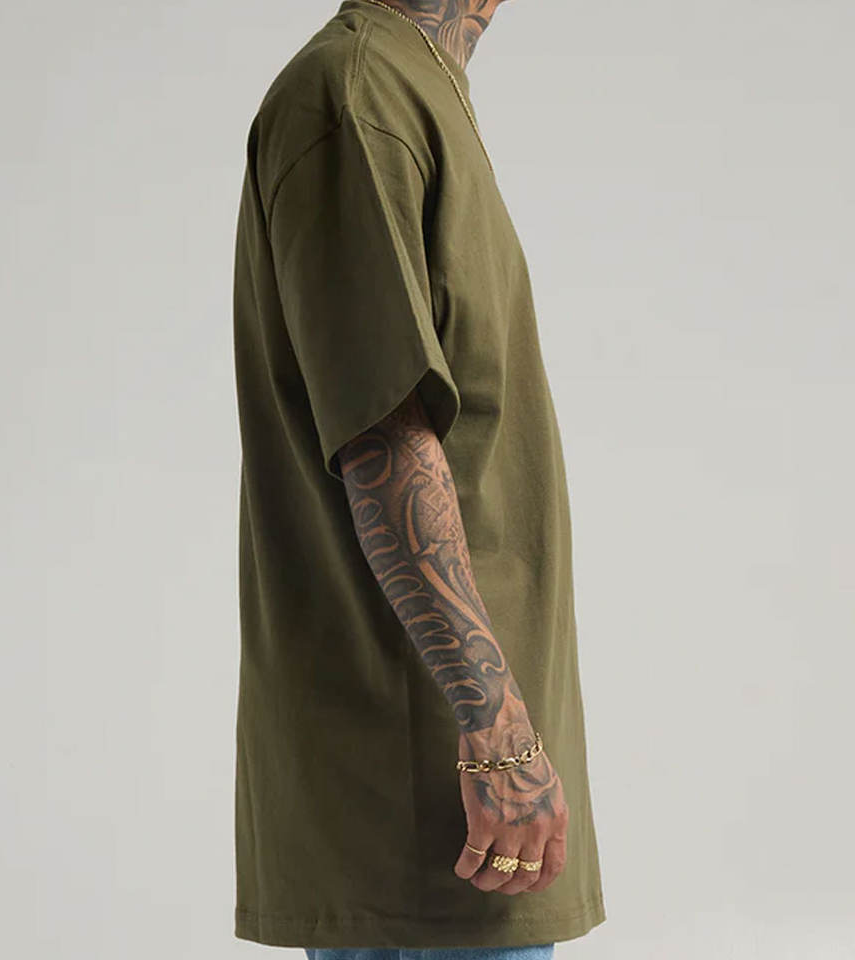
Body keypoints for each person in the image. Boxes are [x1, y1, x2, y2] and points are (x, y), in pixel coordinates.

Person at [231, 1, 606, 956]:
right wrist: (499, 731)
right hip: (433, 793)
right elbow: (383, 440)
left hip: (457, 786)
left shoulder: (410, 84)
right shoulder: (355, 95)